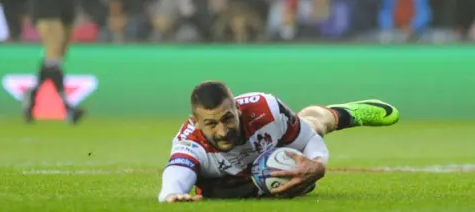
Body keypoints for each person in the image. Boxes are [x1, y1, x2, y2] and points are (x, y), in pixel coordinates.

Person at [158, 81, 400, 202]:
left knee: (313, 125)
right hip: (232, 185)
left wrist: (318, 164)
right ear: (197, 122)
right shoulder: (189, 142)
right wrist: (172, 194)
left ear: (238, 109)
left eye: (228, 119)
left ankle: (342, 114)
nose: (223, 131)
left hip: (270, 149)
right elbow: (177, 172)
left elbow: (309, 140)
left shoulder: (266, 109)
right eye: (211, 124)